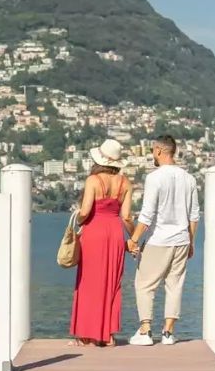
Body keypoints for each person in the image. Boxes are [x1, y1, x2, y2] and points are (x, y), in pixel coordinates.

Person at [126, 135, 199, 345]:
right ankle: (168, 333)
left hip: (159, 240)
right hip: (182, 240)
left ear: (158, 151)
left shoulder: (154, 178)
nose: (152, 154)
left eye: (152, 151)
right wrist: (191, 242)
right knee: (175, 285)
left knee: (144, 284)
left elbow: (147, 214)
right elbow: (194, 215)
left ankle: (145, 331)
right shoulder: (189, 179)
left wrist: (134, 240)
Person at [68, 138, 133, 347]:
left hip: (94, 232)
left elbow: (85, 211)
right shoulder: (125, 183)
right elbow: (126, 217)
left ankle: (85, 335)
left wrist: (77, 219)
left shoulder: (93, 180)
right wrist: (133, 238)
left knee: (88, 282)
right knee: (112, 282)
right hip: (115, 233)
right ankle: (108, 335)